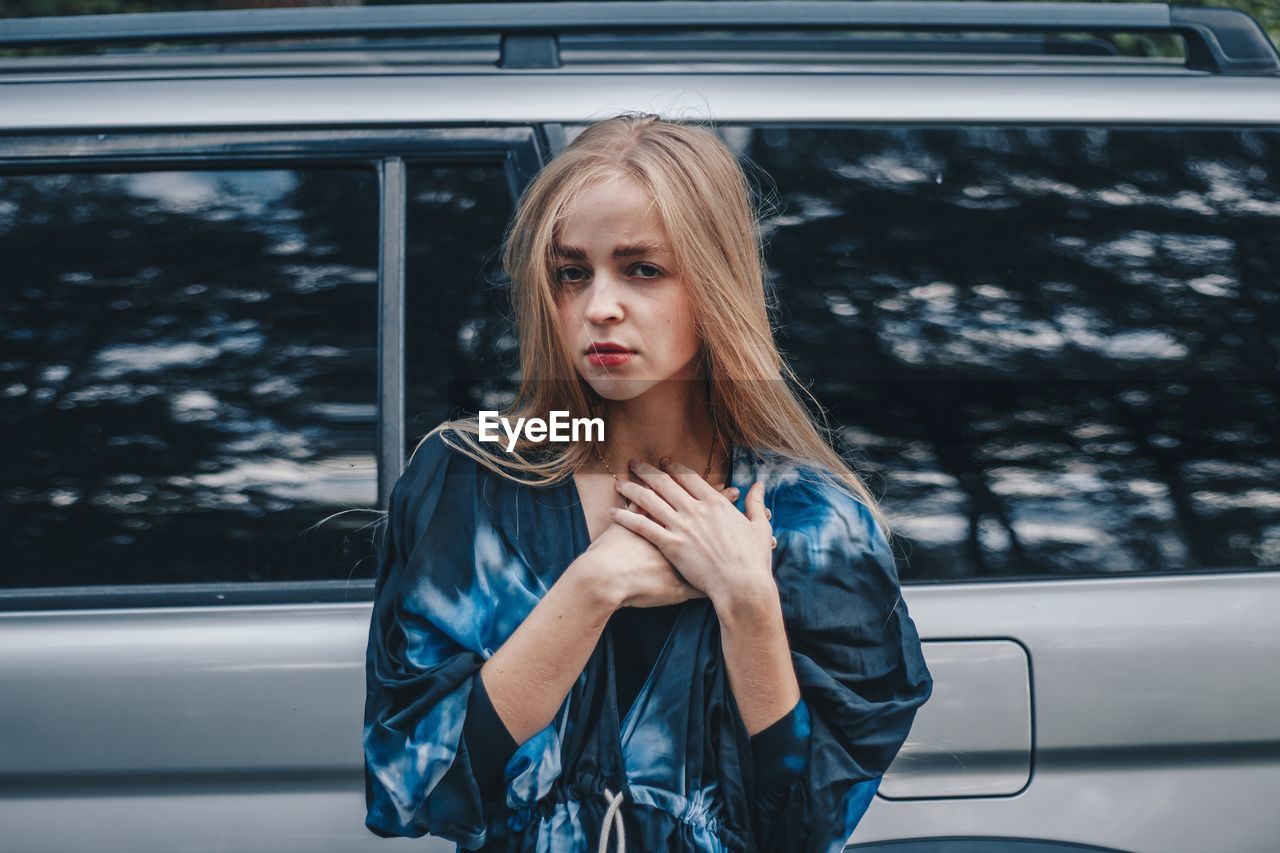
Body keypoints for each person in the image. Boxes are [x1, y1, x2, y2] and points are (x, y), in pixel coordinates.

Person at [363, 112, 933, 852]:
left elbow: (805, 828)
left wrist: (748, 602)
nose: (599, 306)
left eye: (642, 269)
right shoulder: (474, 474)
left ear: (712, 282)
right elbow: (417, 787)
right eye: (573, 272)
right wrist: (592, 586)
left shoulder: (813, 520)